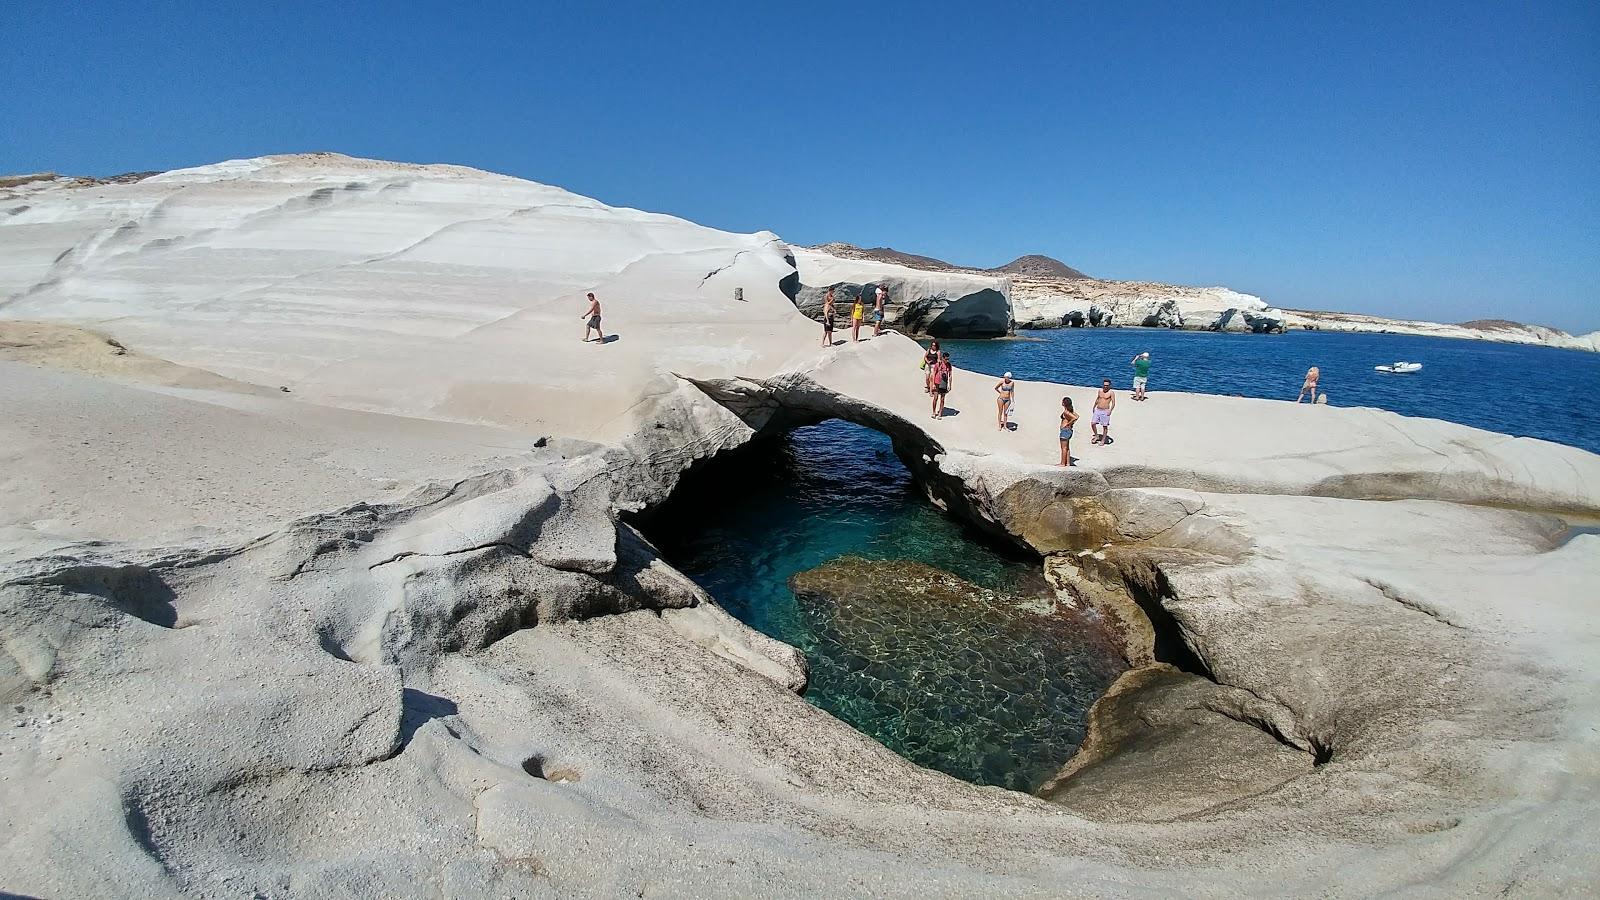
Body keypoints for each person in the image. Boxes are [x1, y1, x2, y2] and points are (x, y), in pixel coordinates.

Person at [1090, 378, 1115, 444]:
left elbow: (1113, 403)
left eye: (1107, 385)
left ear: (1109, 385)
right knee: (1093, 423)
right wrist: (1094, 406)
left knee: (1104, 426)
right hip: (1098, 409)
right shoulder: (1100, 391)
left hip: (1105, 411)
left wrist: (1110, 410)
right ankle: (1096, 435)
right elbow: (1098, 398)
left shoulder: (1111, 392)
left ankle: (1103, 440)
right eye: (1104, 385)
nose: (1105, 386)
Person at [930, 351, 953, 419]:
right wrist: (933, 383)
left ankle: (940, 413)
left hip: (944, 383)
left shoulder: (949, 365)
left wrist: (950, 385)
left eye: (948, 359)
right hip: (937, 383)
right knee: (935, 398)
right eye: (946, 359)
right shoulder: (938, 364)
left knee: (942, 399)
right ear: (943, 358)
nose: (947, 360)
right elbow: (934, 373)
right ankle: (934, 412)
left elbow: (950, 375)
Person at [1059, 396, 1079, 466]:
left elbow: (1075, 418)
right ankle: (1067, 463)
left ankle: (1062, 463)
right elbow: (1077, 416)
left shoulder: (1066, 412)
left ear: (1064, 403)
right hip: (1068, 431)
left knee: (1063, 448)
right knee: (1067, 448)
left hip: (1065, 431)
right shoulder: (1070, 411)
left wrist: (1068, 424)